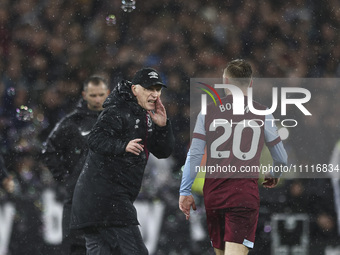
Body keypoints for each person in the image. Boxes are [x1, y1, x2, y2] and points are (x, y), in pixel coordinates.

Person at [179, 59, 288, 255]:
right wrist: (274, 173)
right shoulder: (264, 114)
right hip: (243, 195)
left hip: (214, 195)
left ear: (225, 82)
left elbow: (194, 156)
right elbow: (281, 157)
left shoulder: (207, 113)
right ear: (251, 83)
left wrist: (185, 190)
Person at [70, 67, 175, 255]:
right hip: (108, 198)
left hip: (93, 199)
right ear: (135, 90)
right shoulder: (118, 111)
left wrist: (163, 126)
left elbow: (163, 151)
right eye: (149, 89)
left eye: (158, 90)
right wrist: (122, 145)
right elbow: (94, 139)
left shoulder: (144, 115)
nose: (155, 94)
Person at [41, 75, 110, 255]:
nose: (97, 99)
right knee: (77, 248)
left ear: (108, 94)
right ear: (84, 94)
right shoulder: (72, 122)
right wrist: (66, 178)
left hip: (108, 199)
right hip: (77, 198)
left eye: (100, 95)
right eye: (93, 95)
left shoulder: (116, 122)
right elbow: (48, 150)